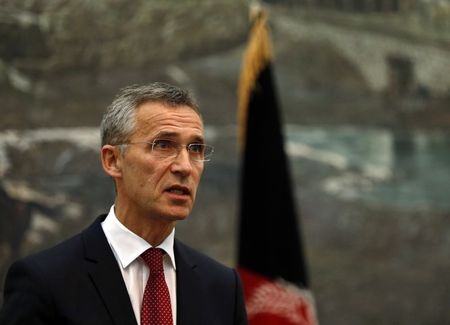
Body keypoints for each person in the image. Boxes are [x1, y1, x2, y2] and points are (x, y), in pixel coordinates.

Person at [0, 82, 248, 325]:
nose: (184, 166)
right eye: (163, 144)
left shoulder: (223, 287)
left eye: (196, 148)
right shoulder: (44, 281)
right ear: (113, 160)